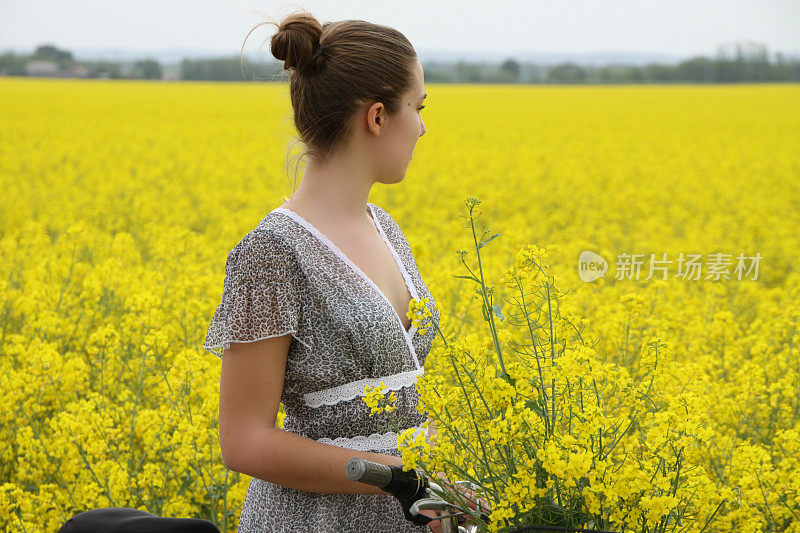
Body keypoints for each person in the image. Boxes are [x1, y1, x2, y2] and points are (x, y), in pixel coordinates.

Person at [201, 9, 453, 533]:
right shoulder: (271, 254)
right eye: (418, 107)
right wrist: (403, 478)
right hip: (314, 520)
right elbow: (243, 440)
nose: (424, 127)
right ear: (378, 117)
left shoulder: (385, 227)